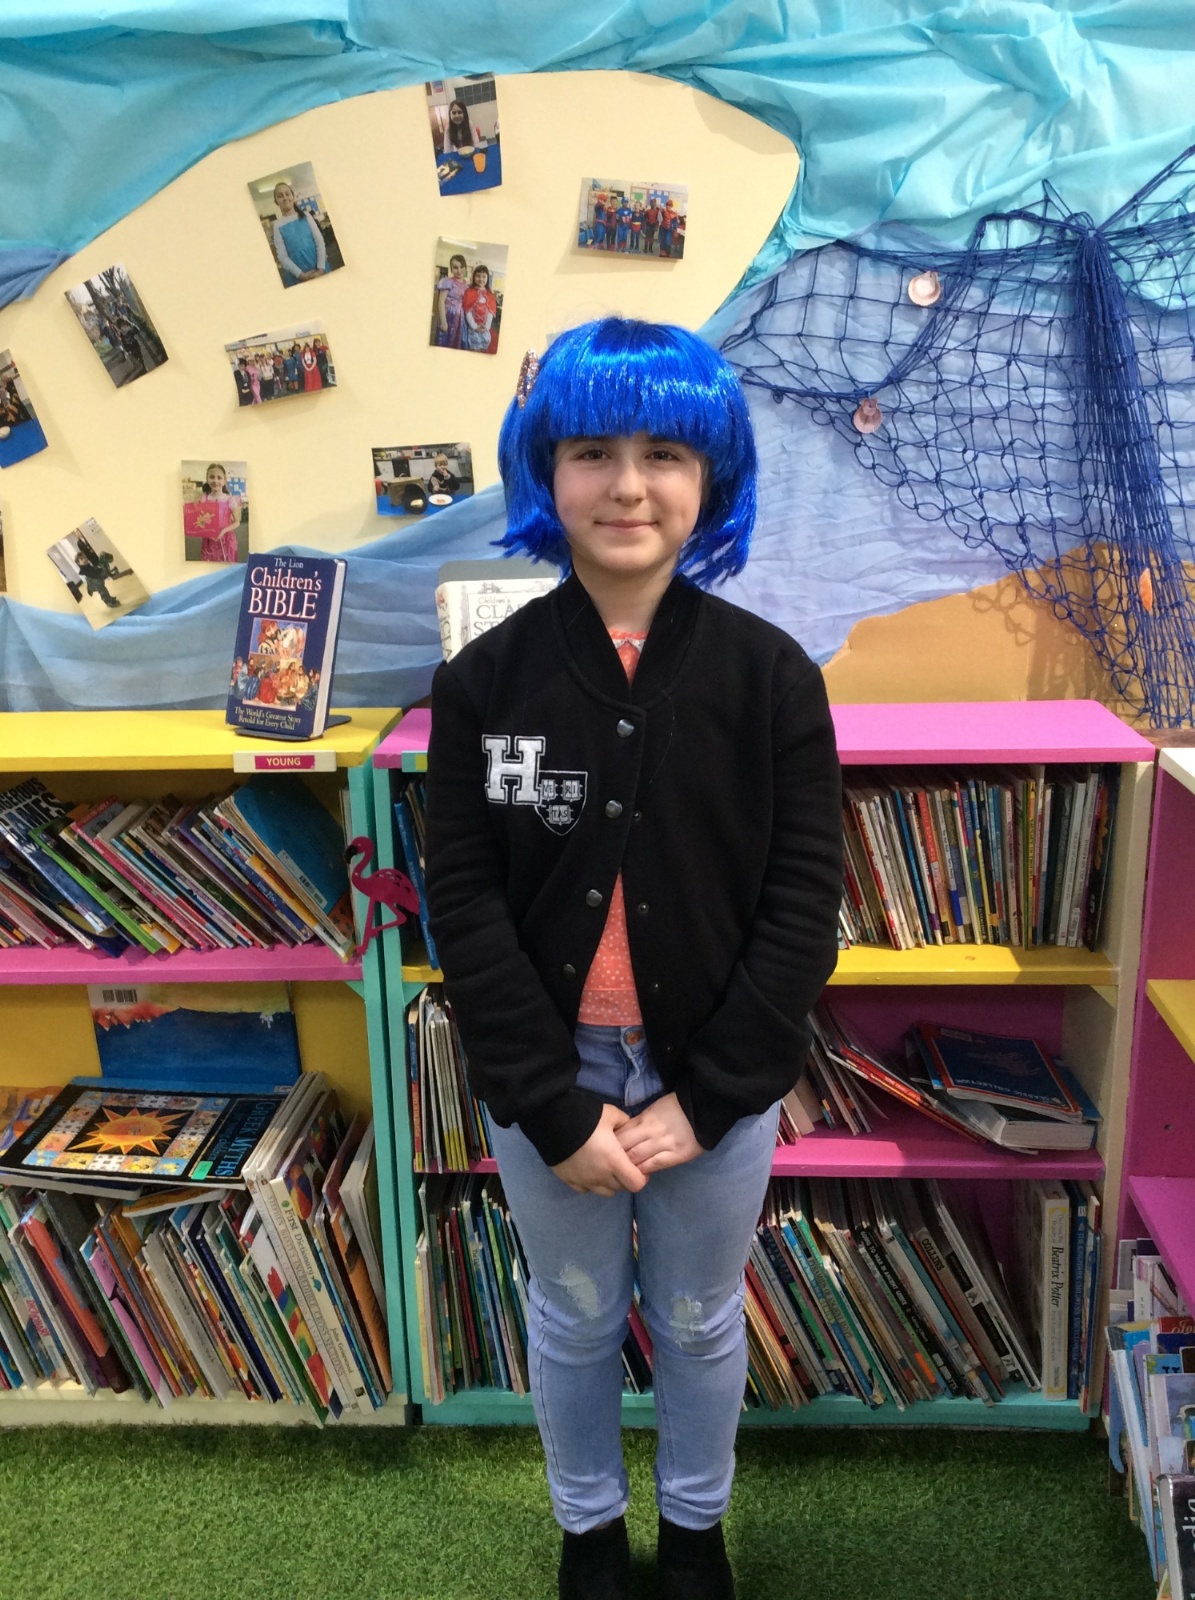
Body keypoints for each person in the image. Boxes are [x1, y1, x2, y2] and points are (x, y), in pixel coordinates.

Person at [424, 319, 842, 1600]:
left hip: (713, 1078)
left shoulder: (772, 679)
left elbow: (800, 906)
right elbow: (464, 902)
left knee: (702, 1315)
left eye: (664, 453)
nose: (627, 485)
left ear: (710, 475)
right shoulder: (484, 683)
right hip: (553, 1074)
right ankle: (590, 1531)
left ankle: (696, 1532)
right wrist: (551, 1106)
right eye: (591, 451)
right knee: (573, 1312)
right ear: (544, 469)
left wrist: (707, 1097)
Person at [271, 180, 328, 286]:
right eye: (280, 196)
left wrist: (320, 269)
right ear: (276, 201)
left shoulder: (306, 215)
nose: (285, 198)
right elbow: (282, 257)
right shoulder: (277, 225)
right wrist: (301, 275)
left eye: (287, 194)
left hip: (319, 266)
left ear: (293, 196)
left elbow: (319, 241)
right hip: (297, 275)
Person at [193, 462, 243, 563]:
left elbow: (237, 522)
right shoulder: (204, 499)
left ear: (224, 481)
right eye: (212, 477)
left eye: (219, 478)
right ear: (207, 479)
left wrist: (223, 531)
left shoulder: (230, 500)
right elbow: (199, 520)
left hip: (226, 538)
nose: (215, 480)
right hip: (209, 539)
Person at [462, 265, 498, 354]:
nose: (481, 279)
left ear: (487, 278)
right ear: (474, 277)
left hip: (485, 329)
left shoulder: (490, 295)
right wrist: (474, 326)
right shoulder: (469, 292)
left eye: (483, 276)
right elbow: (468, 312)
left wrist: (486, 326)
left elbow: (490, 313)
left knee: (483, 350)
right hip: (473, 328)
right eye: (478, 276)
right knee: (473, 350)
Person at [435, 254, 468, 349]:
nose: (459, 270)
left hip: (460, 319)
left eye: (461, 267)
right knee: (446, 342)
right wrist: (443, 321)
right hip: (448, 316)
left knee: (457, 344)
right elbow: (441, 302)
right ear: (451, 269)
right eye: (455, 267)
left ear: (465, 267)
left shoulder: (467, 285)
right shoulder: (447, 281)